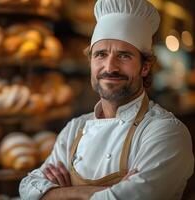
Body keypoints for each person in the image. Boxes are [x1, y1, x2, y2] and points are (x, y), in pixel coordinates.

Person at [19, 0, 194, 199]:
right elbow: (28, 189)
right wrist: (98, 192)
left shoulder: (166, 132)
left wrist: (59, 194)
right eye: (101, 55)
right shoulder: (74, 129)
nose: (110, 67)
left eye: (124, 56)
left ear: (145, 67)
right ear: (91, 62)